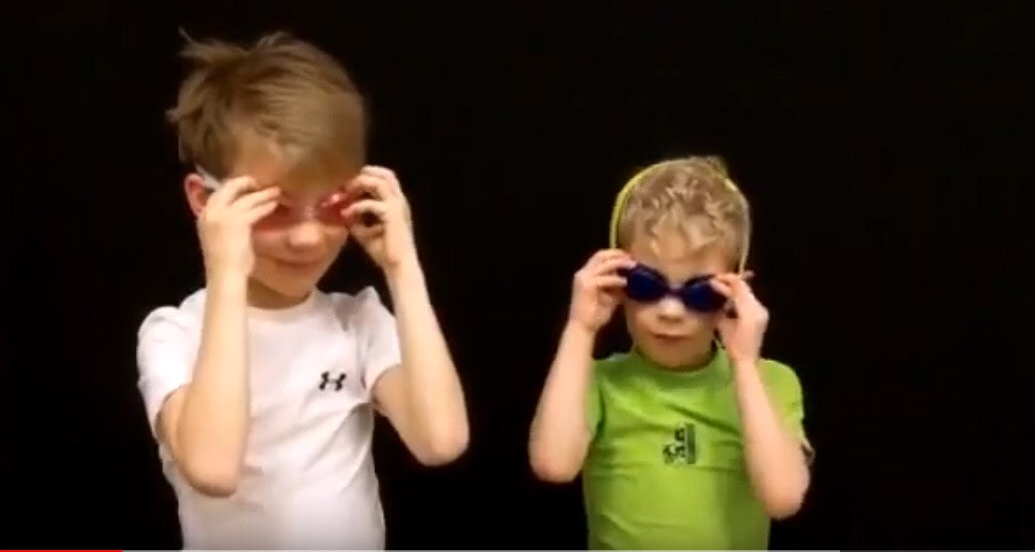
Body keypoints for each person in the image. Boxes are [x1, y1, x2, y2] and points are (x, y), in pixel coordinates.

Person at [135, 31, 469, 549]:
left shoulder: (357, 321)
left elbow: (441, 440)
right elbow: (213, 468)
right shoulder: (174, 334)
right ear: (206, 200)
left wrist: (403, 268)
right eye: (275, 208)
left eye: (332, 205)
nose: (309, 236)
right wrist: (225, 272)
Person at [528, 156, 813, 549]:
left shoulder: (771, 382)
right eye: (646, 285)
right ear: (616, 280)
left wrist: (745, 364)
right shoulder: (598, 384)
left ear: (734, 291)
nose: (670, 310)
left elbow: (783, 498)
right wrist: (580, 328)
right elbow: (553, 464)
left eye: (699, 292)